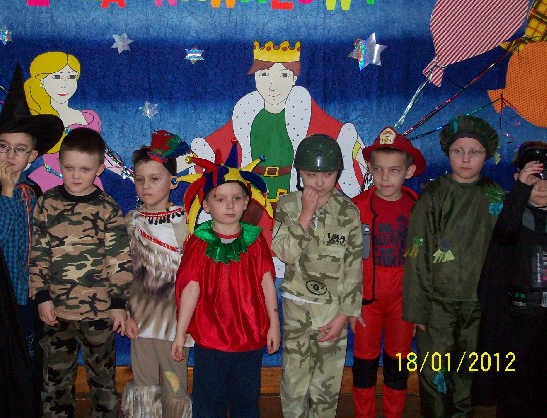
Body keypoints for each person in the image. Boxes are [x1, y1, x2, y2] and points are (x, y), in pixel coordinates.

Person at [192, 40, 366, 262]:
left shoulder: (304, 112)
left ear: (294, 78)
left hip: (291, 198)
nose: (272, 85)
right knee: (250, 253)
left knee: (292, 247)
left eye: (283, 75)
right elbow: (216, 144)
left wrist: (357, 151)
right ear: (255, 78)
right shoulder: (245, 115)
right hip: (255, 199)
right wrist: (188, 158)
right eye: (264, 75)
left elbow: (337, 135)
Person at [0, 64, 64, 418]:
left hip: (27, 297)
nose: (11, 156)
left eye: (20, 149)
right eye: (4, 147)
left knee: (27, 369)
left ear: (32, 156)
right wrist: (6, 190)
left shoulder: (34, 193)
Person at [402, 115, 504, 417]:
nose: (466, 158)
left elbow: (505, 254)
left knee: (468, 373)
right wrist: (418, 310)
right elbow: (417, 253)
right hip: (437, 307)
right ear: (448, 152)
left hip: (478, 305)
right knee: (434, 373)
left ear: (487, 154)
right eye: (459, 151)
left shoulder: (496, 196)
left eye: (475, 152)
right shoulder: (434, 196)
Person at [29, 127, 133, 417]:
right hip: (57, 312)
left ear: (99, 169)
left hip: (99, 312)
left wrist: (119, 303)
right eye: (69, 168)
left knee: (103, 383)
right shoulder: (47, 203)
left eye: (85, 169)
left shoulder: (107, 207)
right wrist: (41, 296)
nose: (76, 175)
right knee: (55, 384)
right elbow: (38, 253)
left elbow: (119, 259)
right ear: (59, 164)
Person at [172, 144, 280, 418]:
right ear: (206, 205)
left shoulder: (255, 241)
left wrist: (274, 325)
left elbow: (268, 284)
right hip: (210, 340)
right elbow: (190, 289)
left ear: (246, 202)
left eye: (236, 198)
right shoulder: (199, 243)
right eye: (220, 199)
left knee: (246, 402)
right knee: (209, 404)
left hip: (249, 338)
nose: (229, 205)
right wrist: (180, 332)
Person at [272, 134, 363, 418]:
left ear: (338, 173)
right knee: (294, 382)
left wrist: (344, 315)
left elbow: (353, 267)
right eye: (311, 174)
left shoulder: (348, 211)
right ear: (299, 172)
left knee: (326, 386)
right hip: (297, 307)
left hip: (332, 311)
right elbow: (284, 253)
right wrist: (306, 214)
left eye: (328, 174)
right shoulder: (287, 205)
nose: (320, 182)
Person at [351, 127, 426, 418]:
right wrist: (349, 305)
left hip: (403, 303)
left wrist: (420, 306)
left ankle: (394, 413)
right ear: (370, 169)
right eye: (379, 170)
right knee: (364, 364)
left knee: (398, 364)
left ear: (409, 172)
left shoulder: (419, 208)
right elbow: (345, 261)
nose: (385, 178)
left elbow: (426, 262)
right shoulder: (356, 208)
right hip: (366, 301)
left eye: (394, 170)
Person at [120, 130, 192, 418]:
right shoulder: (131, 221)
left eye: (154, 179)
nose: (146, 186)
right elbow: (124, 271)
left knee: (174, 384)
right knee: (144, 384)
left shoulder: (184, 221)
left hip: (174, 322)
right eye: (140, 180)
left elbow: (193, 275)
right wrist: (126, 313)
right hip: (140, 320)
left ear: (173, 181)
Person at [475, 141, 547, 417]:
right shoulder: (510, 214)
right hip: (517, 321)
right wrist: (520, 191)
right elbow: (505, 235)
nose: (540, 186)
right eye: (533, 178)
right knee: (513, 393)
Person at [24, 51, 135, 211]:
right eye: (57, 77)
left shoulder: (86, 117)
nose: (65, 84)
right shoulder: (38, 121)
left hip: (89, 183)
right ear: (41, 81)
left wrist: (124, 174)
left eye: (71, 77)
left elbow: (99, 155)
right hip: (51, 182)